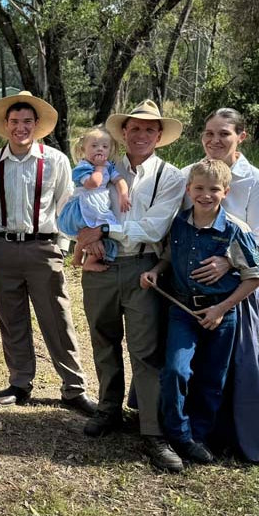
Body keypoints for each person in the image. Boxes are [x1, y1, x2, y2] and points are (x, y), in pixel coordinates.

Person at [77, 99, 187, 473]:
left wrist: (105, 230)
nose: (141, 135)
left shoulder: (170, 177)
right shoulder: (103, 166)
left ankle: (152, 432)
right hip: (101, 267)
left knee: (145, 350)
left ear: (159, 136)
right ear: (123, 133)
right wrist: (85, 240)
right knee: (103, 339)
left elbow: (155, 228)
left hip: (142, 265)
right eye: (134, 128)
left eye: (149, 129)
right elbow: (80, 207)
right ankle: (108, 410)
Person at [184, 108, 259, 462]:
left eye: (224, 134)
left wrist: (227, 262)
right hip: (195, 282)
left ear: (240, 137)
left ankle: (238, 433)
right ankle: (190, 428)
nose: (215, 140)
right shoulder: (195, 173)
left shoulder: (254, 178)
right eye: (209, 133)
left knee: (243, 359)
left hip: (240, 286)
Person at [140, 159, 259, 465]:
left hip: (220, 316)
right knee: (175, 371)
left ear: (226, 191)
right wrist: (156, 270)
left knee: (211, 378)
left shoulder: (235, 231)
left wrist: (222, 309)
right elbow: (170, 256)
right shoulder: (179, 223)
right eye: (199, 188)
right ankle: (178, 434)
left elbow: (255, 276)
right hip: (183, 311)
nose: (205, 195)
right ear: (188, 189)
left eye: (214, 189)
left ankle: (198, 436)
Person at [0, 92, 96, 415]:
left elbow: (67, 207)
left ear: (37, 125)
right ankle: (20, 382)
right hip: (3, 247)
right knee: (11, 317)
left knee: (57, 318)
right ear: (6, 125)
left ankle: (73, 387)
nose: (20, 128)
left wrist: (60, 247)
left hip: (43, 247)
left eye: (27, 122)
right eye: (14, 122)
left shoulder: (56, 161)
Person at [58, 127, 132, 271]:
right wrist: (98, 167)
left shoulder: (109, 166)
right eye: (94, 146)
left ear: (110, 150)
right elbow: (93, 183)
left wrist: (123, 195)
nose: (100, 150)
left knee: (105, 235)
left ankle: (88, 261)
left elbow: (119, 180)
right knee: (88, 235)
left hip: (100, 207)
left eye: (104, 147)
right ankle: (77, 258)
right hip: (84, 207)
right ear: (83, 149)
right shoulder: (83, 166)